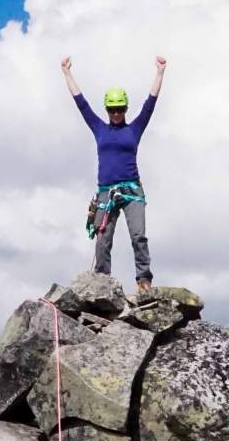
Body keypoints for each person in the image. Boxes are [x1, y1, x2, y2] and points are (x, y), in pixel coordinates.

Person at [62, 55, 164, 291]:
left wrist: (159, 74)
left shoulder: (134, 129)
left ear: (125, 108)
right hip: (106, 192)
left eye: (119, 109)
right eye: (112, 109)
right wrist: (67, 74)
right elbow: (81, 103)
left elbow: (150, 103)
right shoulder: (99, 128)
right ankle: (102, 282)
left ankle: (143, 280)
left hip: (132, 190)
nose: (116, 113)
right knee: (102, 239)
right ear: (107, 109)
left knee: (138, 236)